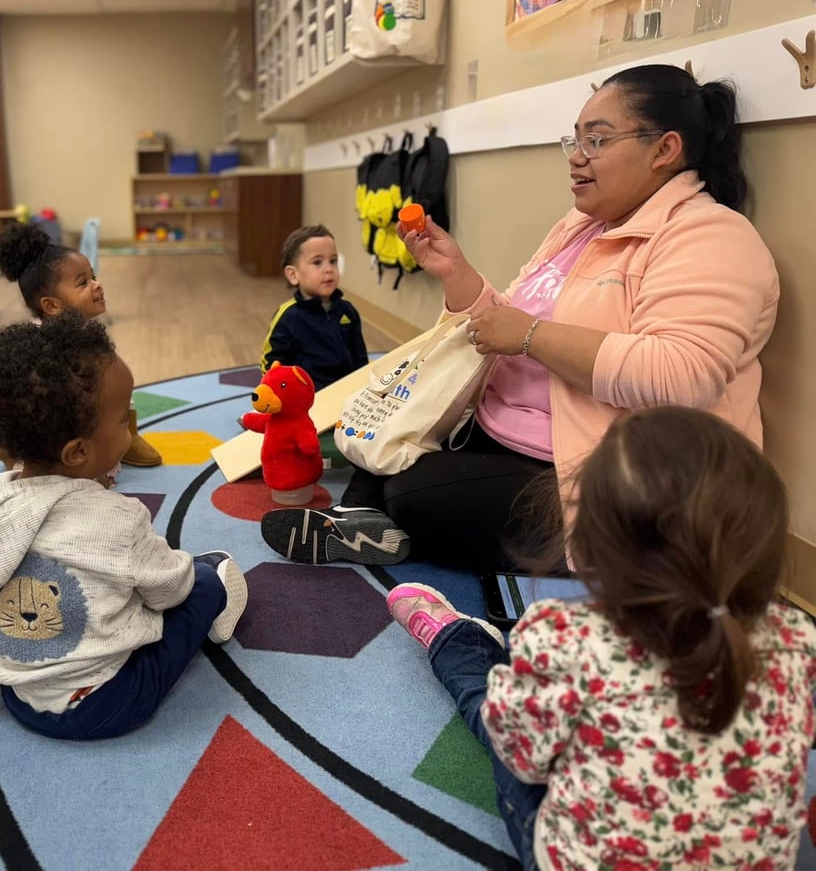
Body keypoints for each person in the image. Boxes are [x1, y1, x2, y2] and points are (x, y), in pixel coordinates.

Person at [260, 64, 779, 572]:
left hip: (606, 474)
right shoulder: (581, 226)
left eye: (596, 141)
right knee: (377, 431)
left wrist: (530, 336)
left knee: (416, 490)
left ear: (665, 149)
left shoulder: (712, 236)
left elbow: (680, 375)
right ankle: (365, 520)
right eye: (574, 141)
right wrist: (456, 272)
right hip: (510, 430)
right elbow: (505, 323)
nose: (576, 159)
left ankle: (383, 521)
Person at [385, 406, 816, 870]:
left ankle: (456, 640)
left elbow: (522, 755)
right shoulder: (798, 640)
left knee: (493, 710)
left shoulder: (563, 635)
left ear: (586, 547)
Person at [0, 312, 248, 740]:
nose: (131, 425)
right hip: (106, 703)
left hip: (19, 696)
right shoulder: (116, 518)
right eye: (124, 420)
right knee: (206, 582)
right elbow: (171, 590)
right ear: (78, 451)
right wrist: (189, 575)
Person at [0, 221, 162, 470]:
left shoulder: (84, 335)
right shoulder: (39, 347)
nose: (97, 285)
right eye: (83, 283)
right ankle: (13, 450)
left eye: (94, 277)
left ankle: (126, 432)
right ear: (52, 306)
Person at [259, 223, 368, 391]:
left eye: (333, 261)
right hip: (307, 398)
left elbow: (360, 358)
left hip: (345, 393)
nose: (328, 269)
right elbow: (271, 365)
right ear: (293, 275)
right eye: (317, 262)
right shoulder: (289, 316)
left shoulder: (347, 311)